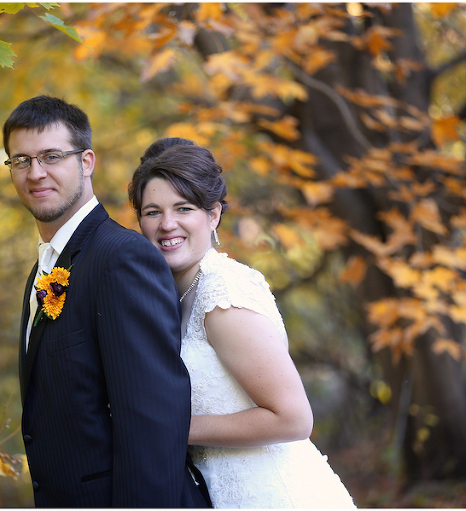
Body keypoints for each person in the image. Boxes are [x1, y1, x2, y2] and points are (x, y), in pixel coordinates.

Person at [3, 97, 211, 507]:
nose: (35, 172)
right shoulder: (43, 270)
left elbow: (152, 424)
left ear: (86, 162)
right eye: (21, 160)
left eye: (51, 156)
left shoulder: (121, 258)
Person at [128, 138, 356, 508]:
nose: (167, 224)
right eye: (153, 212)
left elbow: (293, 419)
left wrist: (166, 427)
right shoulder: (175, 295)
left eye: (183, 208)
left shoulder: (224, 293)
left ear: (213, 215)